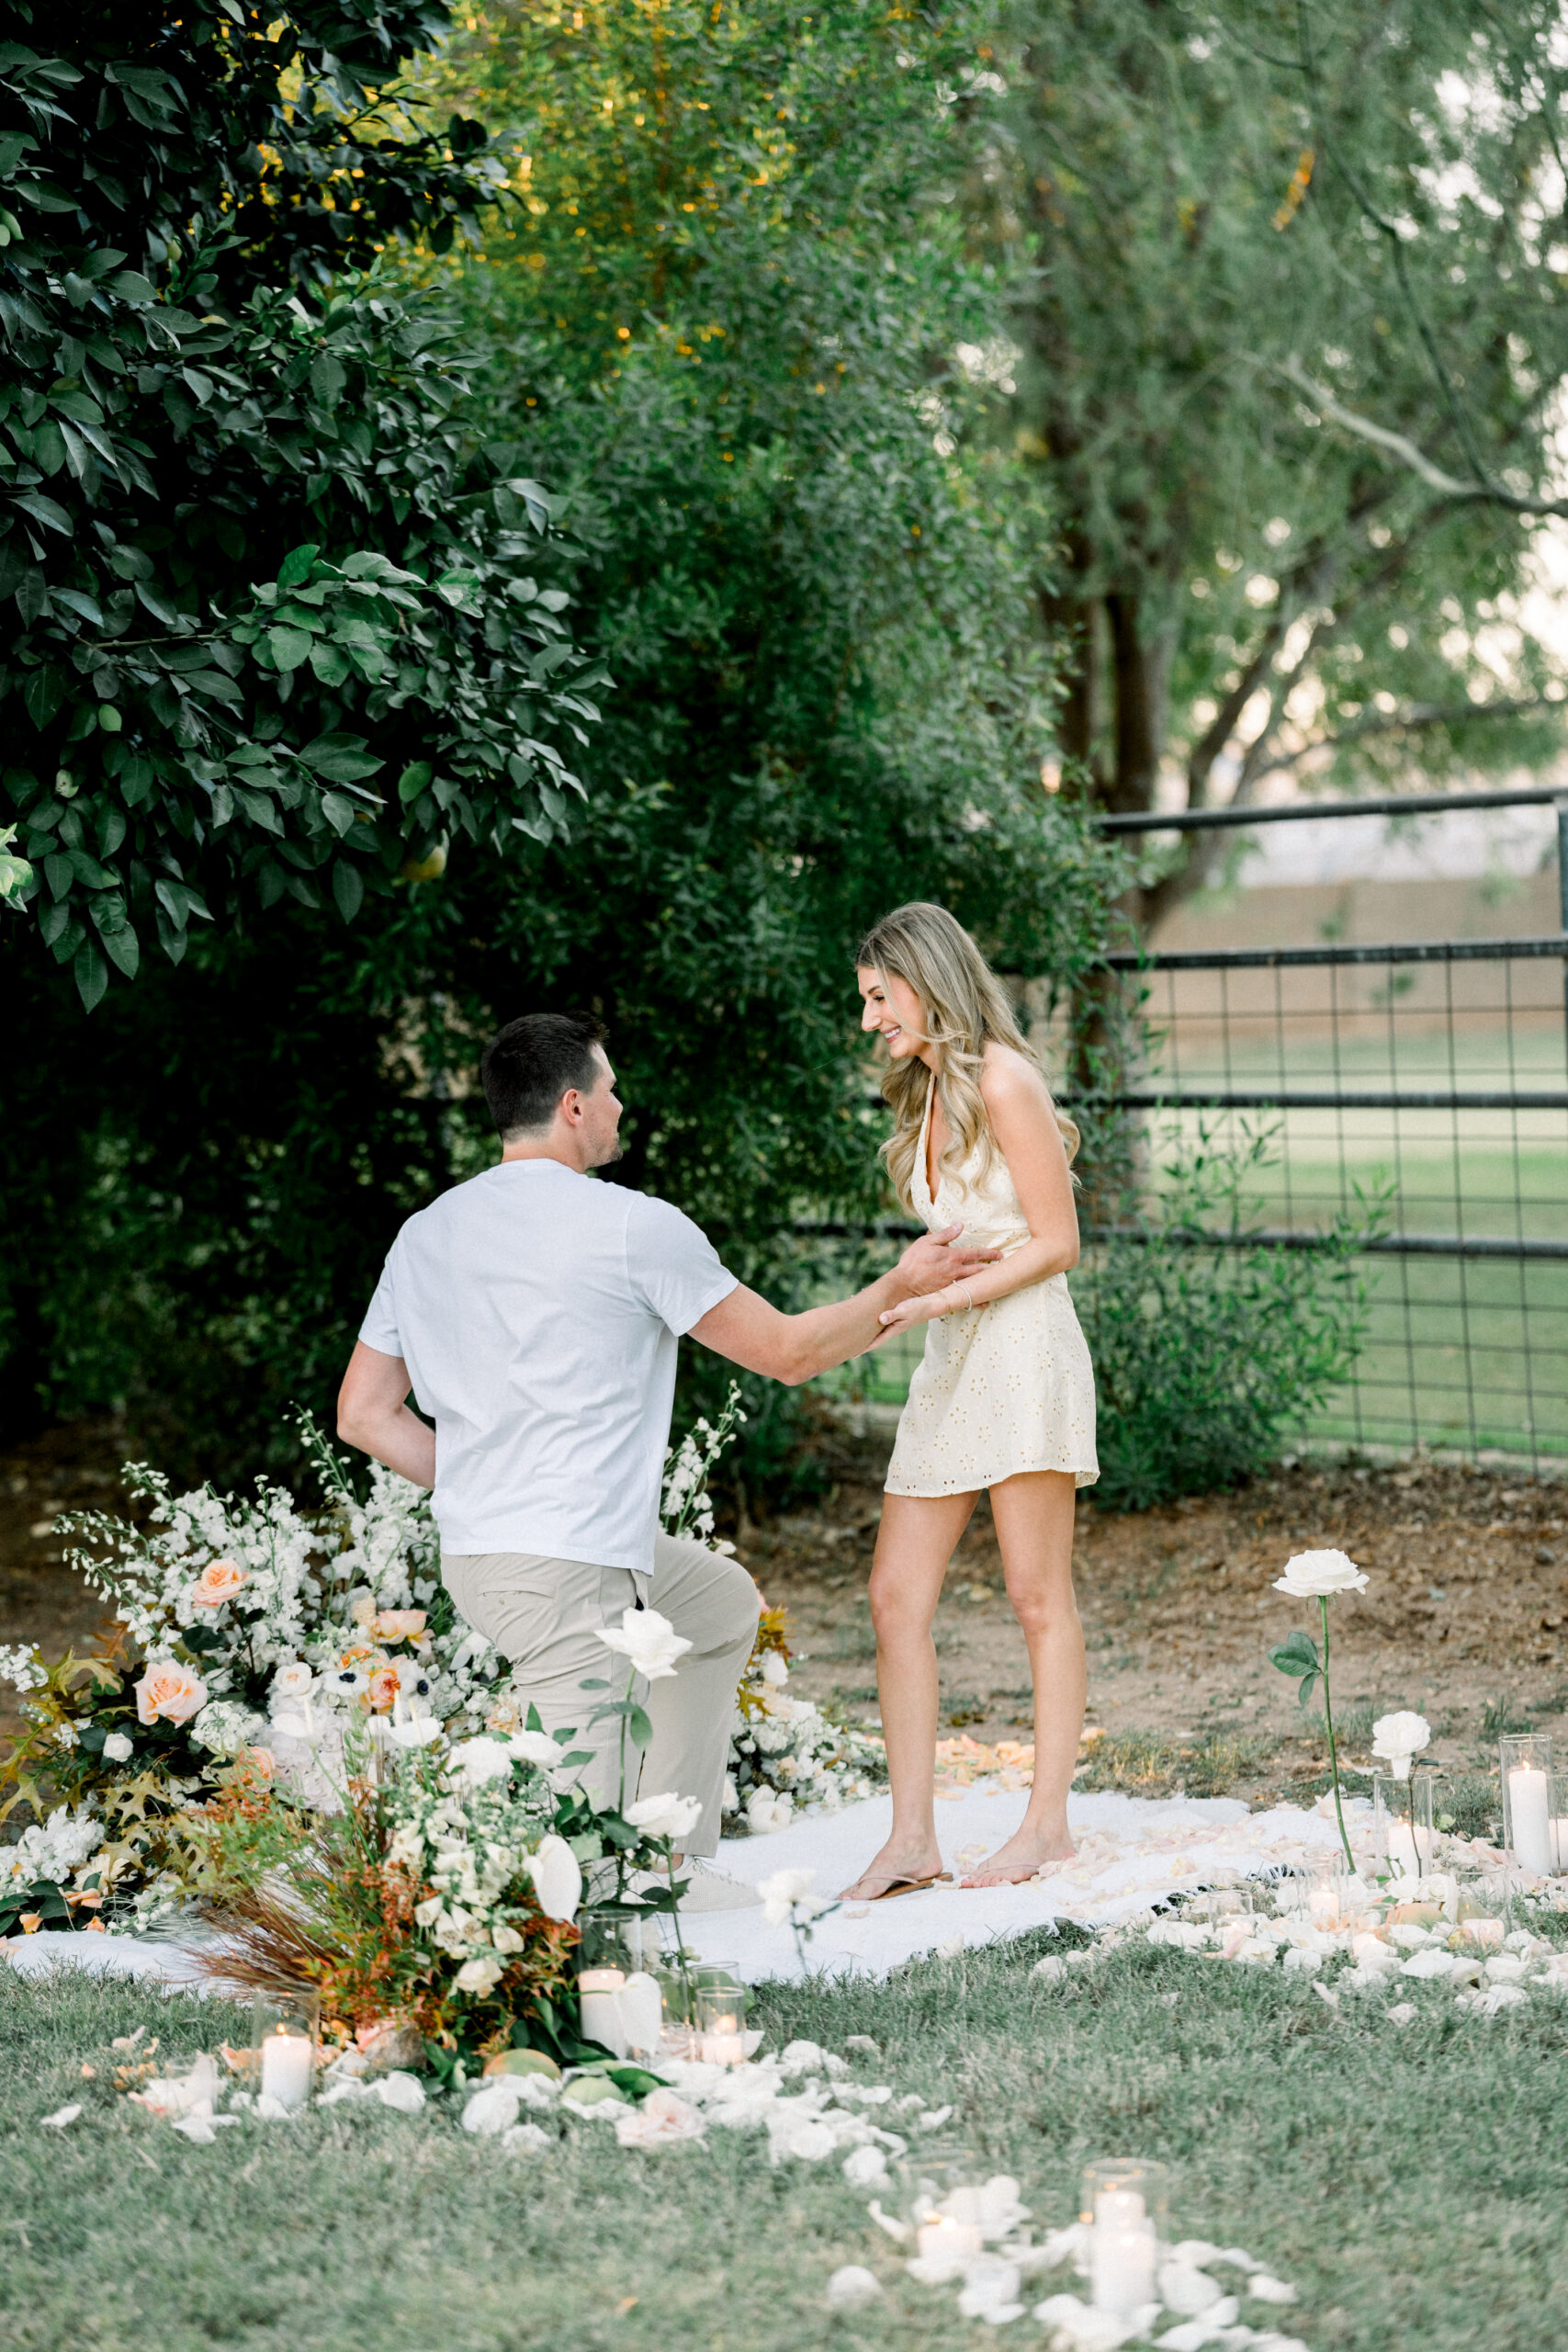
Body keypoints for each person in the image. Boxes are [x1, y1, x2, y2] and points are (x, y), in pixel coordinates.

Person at [336, 1010, 998, 1898]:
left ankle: (669, 1864)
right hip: (565, 1572)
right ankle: (602, 1918)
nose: (621, 1106)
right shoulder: (630, 1226)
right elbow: (790, 1353)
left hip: (487, 1555)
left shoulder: (427, 1230)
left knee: (715, 1605)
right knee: (576, 1867)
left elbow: (364, 1414)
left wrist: (487, 1485)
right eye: (610, 1090)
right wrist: (902, 1283)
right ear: (572, 1106)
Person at [841, 903, 1098, 1899]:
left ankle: (1046, 1827)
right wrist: (921, 1289)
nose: (871, 1019)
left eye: (880, 996)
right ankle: (912, 1839)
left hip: (1023, 1348)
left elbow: (1057, 1242)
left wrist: (941, 1297)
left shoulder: (1003, 1079)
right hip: (951, 1357)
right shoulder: (926, 1098)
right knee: (893, 1595)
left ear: (927, 981)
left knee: (1037, 1597)